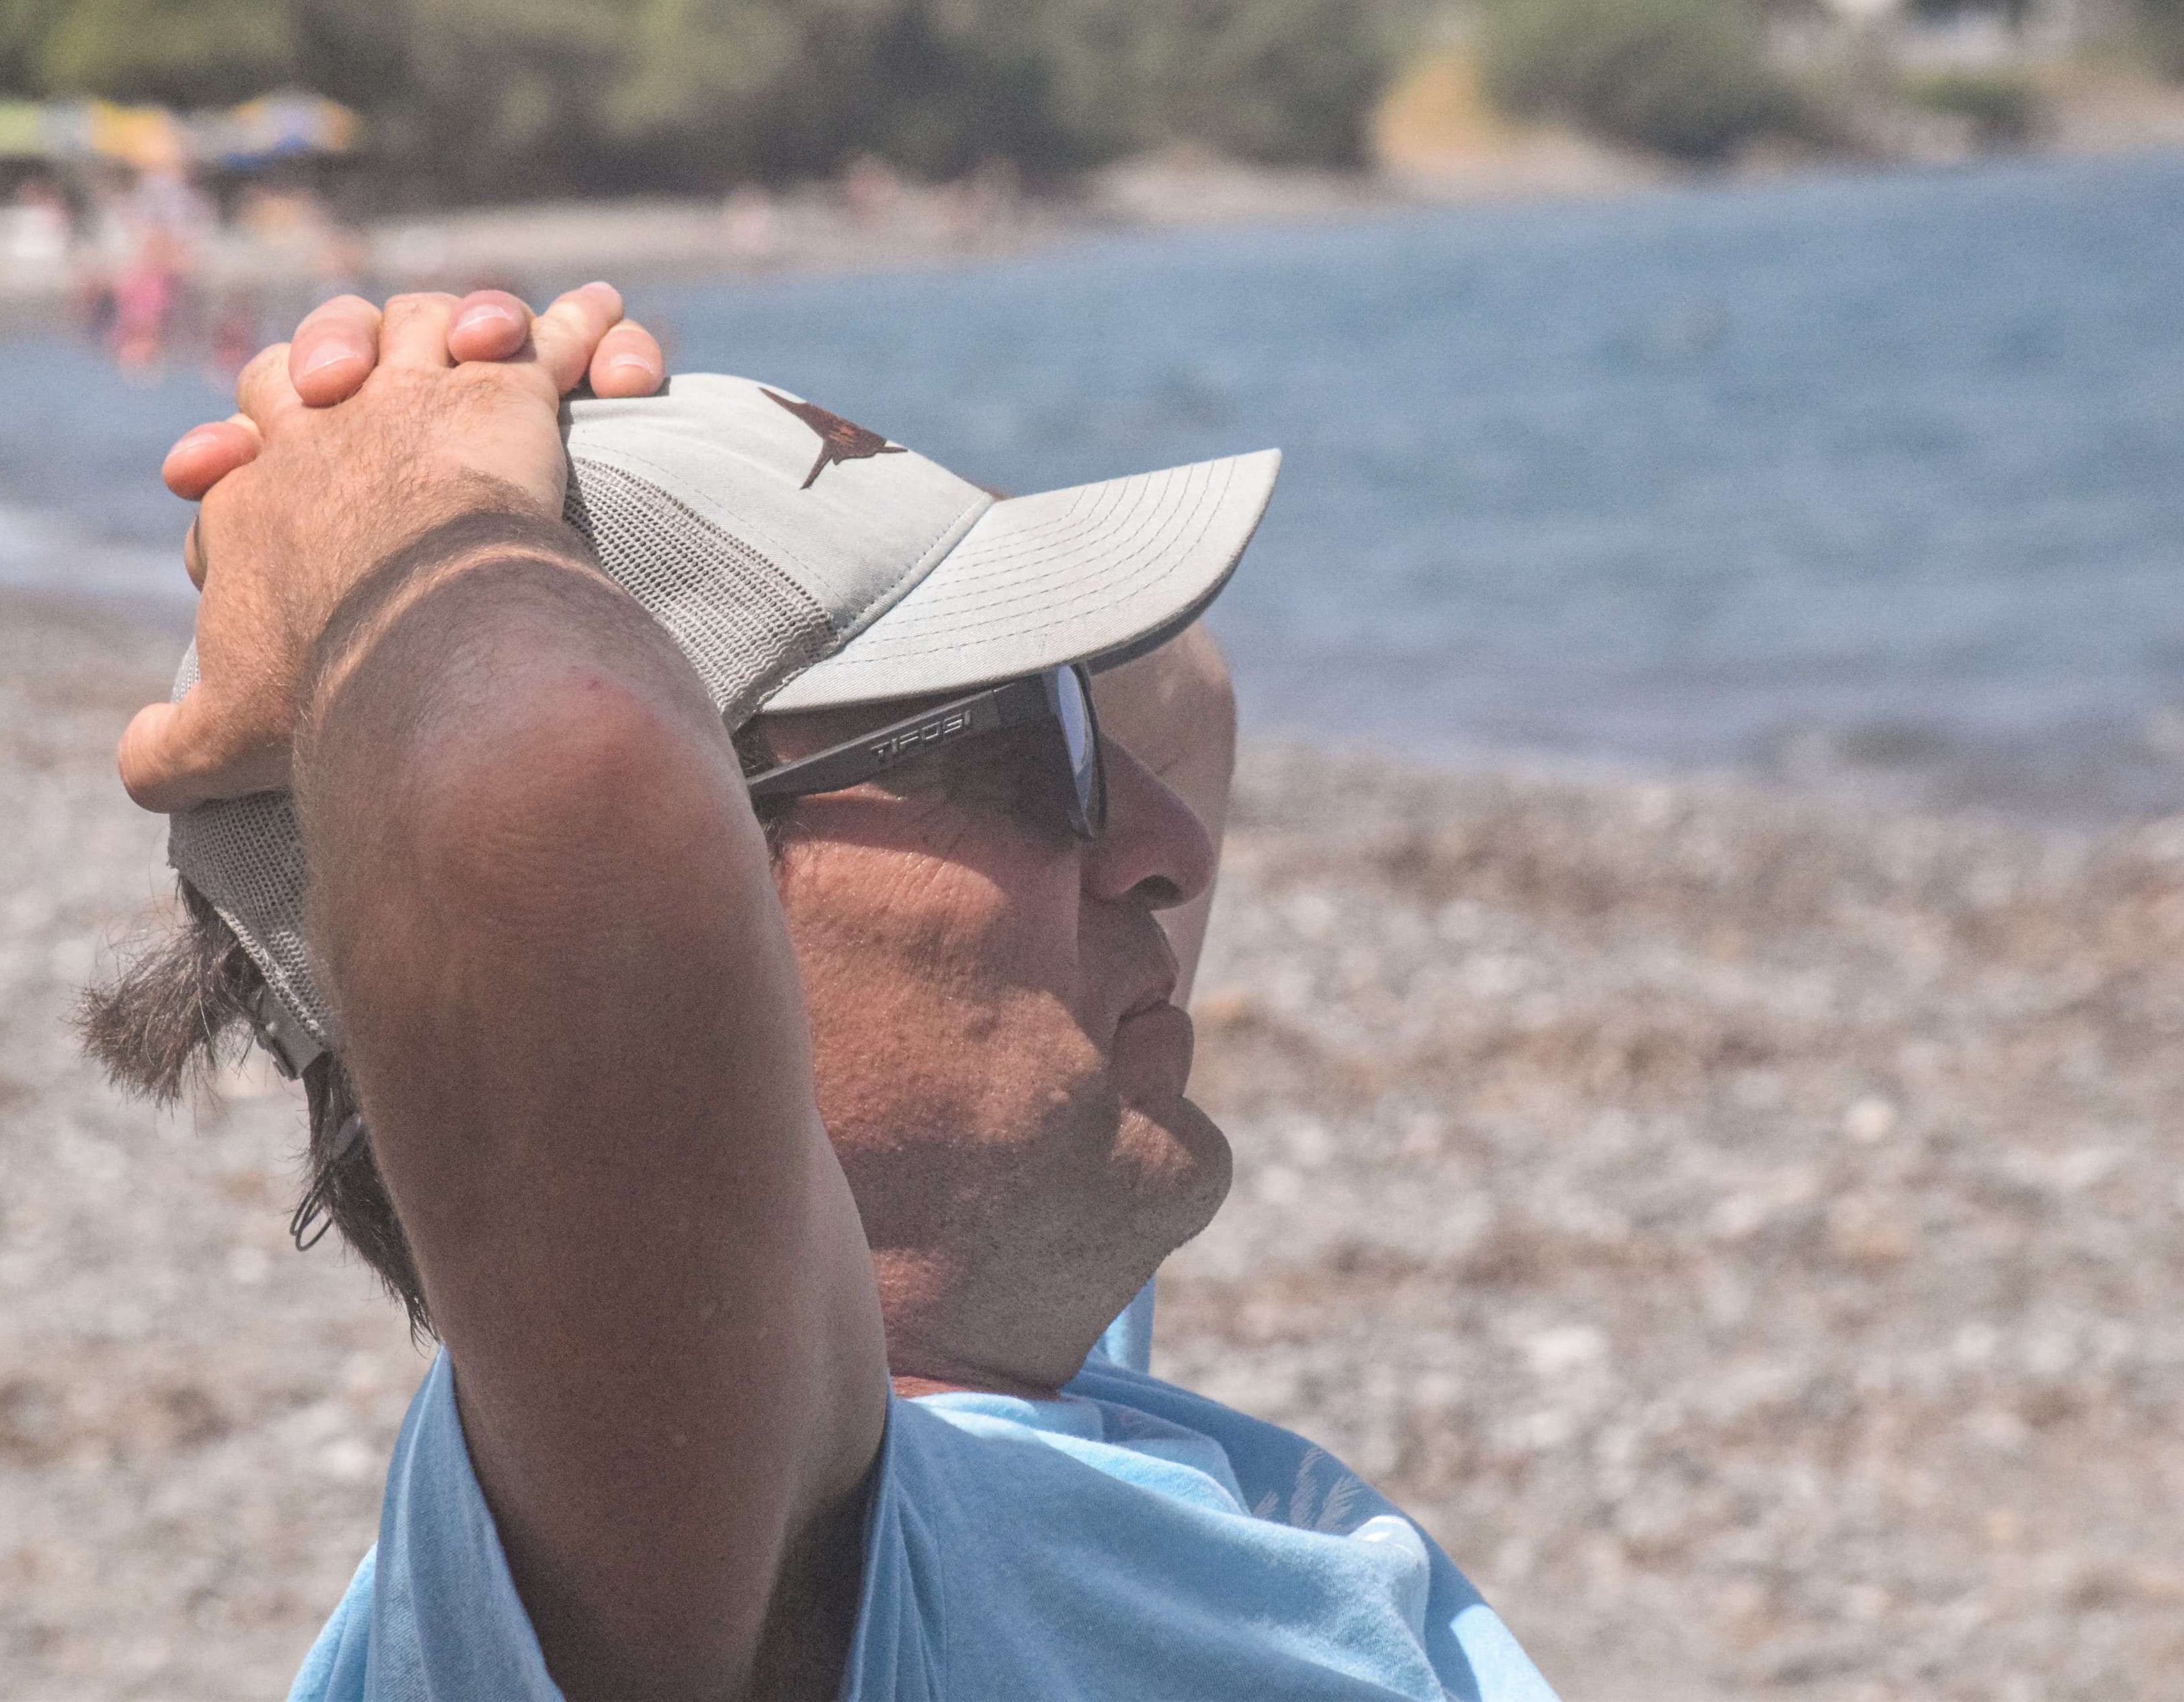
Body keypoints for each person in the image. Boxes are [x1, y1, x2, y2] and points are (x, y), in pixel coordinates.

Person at [84, 284, 1559, 1702]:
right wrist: (385, 514)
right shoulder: (717, 1557)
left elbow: (1173, 682)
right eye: (1010, 750)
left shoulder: (1005, 1360)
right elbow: (552, 774)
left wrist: (646, 452)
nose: (1167, 852)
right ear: (699, 921)